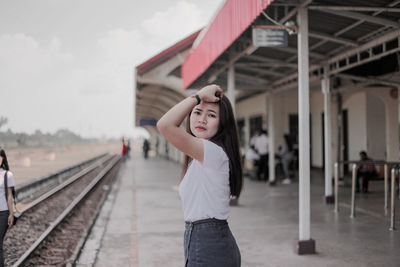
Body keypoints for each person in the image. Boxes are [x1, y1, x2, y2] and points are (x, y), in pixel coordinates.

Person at [157, 84, 242, 266]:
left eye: (211, 115)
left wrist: (197, 96)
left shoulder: (212, 152)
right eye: (197, 113)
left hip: (208, 243)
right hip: (205, 240)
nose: (201, 120)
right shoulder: (201, 156)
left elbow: (165, 125)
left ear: (222, 122)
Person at [0, 148, 15, 266]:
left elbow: (10, 196)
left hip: (3, 213)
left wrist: (11, 213)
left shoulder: (7, 175)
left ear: (3, 159)